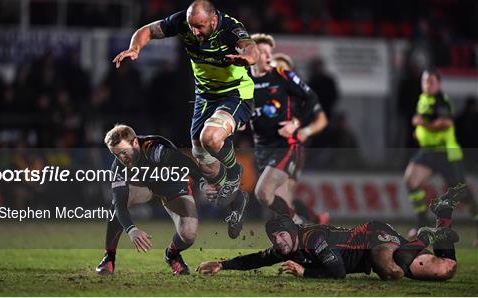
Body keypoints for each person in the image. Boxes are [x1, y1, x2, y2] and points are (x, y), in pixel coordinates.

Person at [112, 0, 259, 237]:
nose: (194, 31)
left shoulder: (230, 29)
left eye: (200, 26)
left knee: (210, 137)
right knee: (207, 167)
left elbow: (250, 46)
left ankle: (234, 173)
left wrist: (248, 59)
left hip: (235, 94)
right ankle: (237, 201)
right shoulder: (183, 21)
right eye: (192, 26)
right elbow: (147, 30)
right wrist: (135, 48)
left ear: (213, 20)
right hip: (204, 97)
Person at [197, 215, 459, 281]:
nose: (278, 241)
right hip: (369, 252)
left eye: (281, 235)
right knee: (447, 270)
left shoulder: (312, 238)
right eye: (274, 237)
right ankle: (441, 227)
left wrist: (305, 273)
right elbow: (257, 258)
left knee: (391, 271)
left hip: (372, 237)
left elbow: (338, 272)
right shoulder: (285, 248)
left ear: (292, 232)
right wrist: (222, 264)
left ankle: (424, 236)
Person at [95, 124, 203, 276]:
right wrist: (132, 230)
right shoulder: (118, 165)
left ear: (135, 143)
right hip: (146, 189)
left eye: (124, 152)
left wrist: (204, 183)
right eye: (116, 155)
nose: (121, 158)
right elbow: (119, 203)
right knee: (117, 201)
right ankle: (109, 257)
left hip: (172, 188)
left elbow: (186, 163)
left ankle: (172, 255)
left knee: (189, 234)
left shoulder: (155, 149)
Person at [248, 33, 328, 224]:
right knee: (276, 200)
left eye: (270, 52)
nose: (269, 57)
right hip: (262, 149)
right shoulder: (243, 81)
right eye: (263, 52)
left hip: (286, 146)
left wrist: (297, 124)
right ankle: (304, 227)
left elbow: (314, 104)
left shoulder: (283, 77)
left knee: (268, 193)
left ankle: (300, 230)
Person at [403, 68, 478, 242]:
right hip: (428, 151)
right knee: (410, 180)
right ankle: (421, 223)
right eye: (425, 81)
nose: (427, 85)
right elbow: (426, 122)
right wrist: (420, 132)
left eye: (431, 81)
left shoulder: (441, 100)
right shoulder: (423, 99)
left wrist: (423, 125)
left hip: (446, 152)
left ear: (438, 84)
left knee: (462, 193)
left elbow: (444, 123)